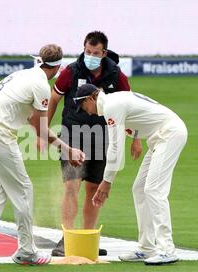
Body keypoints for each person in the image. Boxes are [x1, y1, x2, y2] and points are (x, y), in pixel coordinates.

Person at [0, 44, 85, 269]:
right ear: (57, 68)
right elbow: (40, 129)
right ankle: (26, 251)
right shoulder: (40, 85)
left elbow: (31, 119)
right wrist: (68, 149)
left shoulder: (22, 75)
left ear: (39, 60)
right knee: (24, 190)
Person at [46, 31, 141, 257]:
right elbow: (54, 98)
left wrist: (136, 138)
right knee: (71, 186)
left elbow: (131, 105)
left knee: (93, 189)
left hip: (102, 135)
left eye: (95, 53)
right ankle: (67, 238)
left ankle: (88, 238)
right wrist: (44, 131)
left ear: (104, 53)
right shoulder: (71, 71)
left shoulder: (116, 75)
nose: (90, 56)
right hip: (73, 134)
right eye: (87, 51)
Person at [75, 84, 188, 265]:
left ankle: (167, 249)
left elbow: (115, 147)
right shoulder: (112, 103)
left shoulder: (111, 106)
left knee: (153, 190)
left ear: (90, 98)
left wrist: (107, 181)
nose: (87, 112)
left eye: (83, 107)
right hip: (158, 137)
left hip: (170, 134)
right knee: (139, 189)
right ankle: (146, 248)